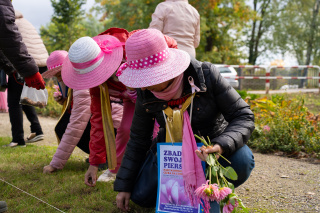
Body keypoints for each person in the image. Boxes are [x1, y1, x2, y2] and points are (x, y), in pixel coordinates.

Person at [114, 29, 255, 212]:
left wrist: (221, 145)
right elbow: (138, 138)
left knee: (243, 161)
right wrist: (124, 185)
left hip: (211, 148)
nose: (145, 84)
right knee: (140, 196)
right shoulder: (145, 91)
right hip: (171, 154)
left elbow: (243, 115)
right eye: (141, 79)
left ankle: (211, 189)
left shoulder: (206, 75)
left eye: (149, 78)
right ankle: (187, 186)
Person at [61, 35, 126, 185]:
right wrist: (94, 164)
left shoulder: (130, 55)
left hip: (153, 94)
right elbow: (99, 120)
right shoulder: (98, 86)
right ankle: (116, 168)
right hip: (129, 100)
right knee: (125, 129)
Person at [0, 3, 48, 147]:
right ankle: (37, 130)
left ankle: (18, 139)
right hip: (41, 62)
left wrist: (13, 69)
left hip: (25, 65)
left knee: (14, 103)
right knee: (24, 98)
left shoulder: (7, 23)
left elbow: (11, 44)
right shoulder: (25, 22)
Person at [41, 51, 92, 173]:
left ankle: (106, 156)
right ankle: (99, 154)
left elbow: (76, 124)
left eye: (60, 74)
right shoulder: (76, 77)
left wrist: (55, 164)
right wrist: (65, 101)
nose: (58, 79)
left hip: (114, 129)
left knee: (65, 126)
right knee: (62, 125)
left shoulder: (81, 84)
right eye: (56, 76)